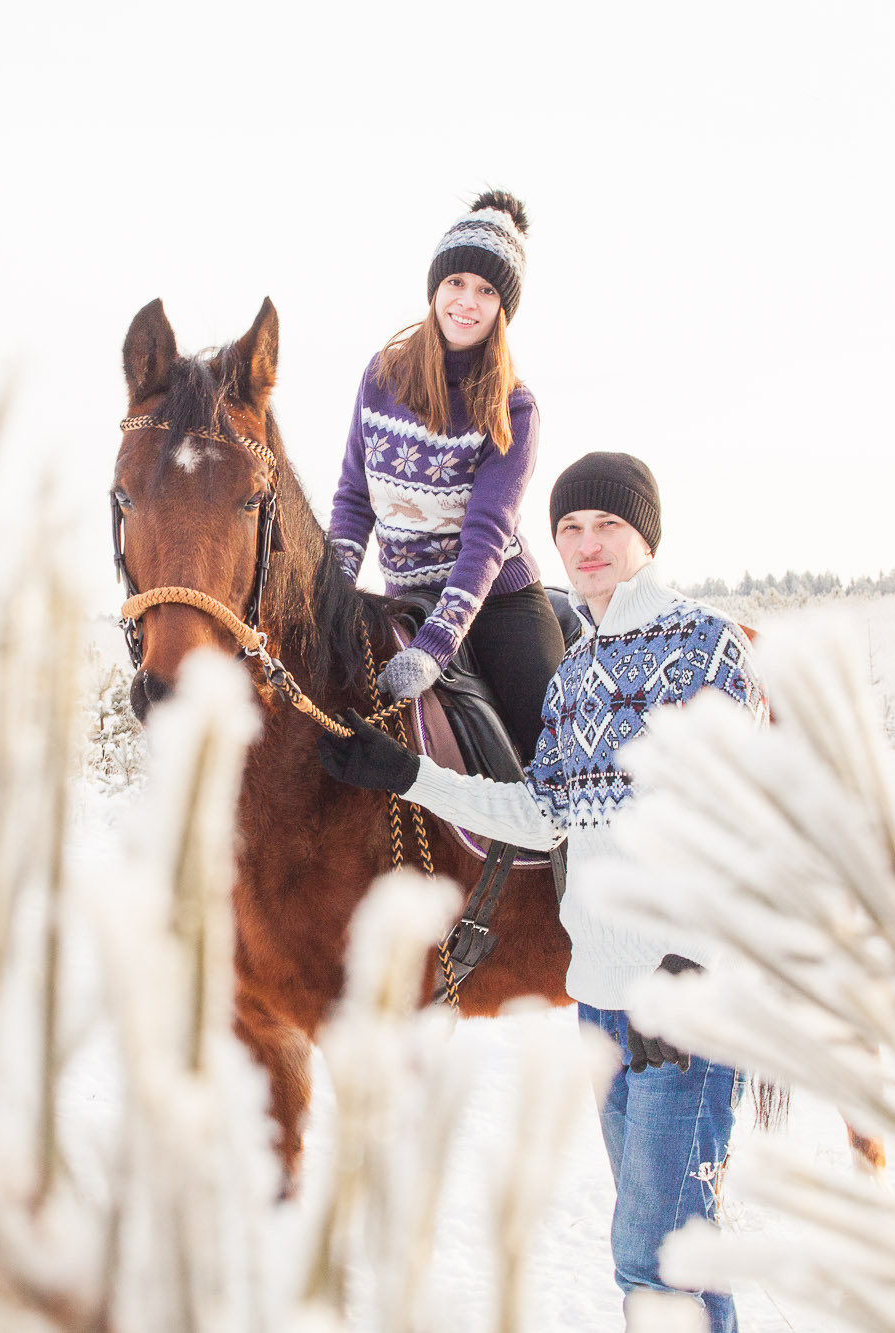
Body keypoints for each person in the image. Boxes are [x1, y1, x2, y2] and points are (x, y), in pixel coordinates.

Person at [317, 452, 765, 1333]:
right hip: (600, 1005)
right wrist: (409, 774)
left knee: (651, 1255)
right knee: (682, 1251)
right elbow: (539, 814)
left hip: (685, 1000)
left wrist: (696, 958)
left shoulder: (704, 646)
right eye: (569, 528)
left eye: (608, 526)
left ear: (647, 536)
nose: (588, 544)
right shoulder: (573, 676)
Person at [327, 190, 565, 755]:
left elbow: (486, 536)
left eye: (486, 291)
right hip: (404, 597)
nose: (467, 301)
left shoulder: (514, 407)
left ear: (502, 309)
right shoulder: (382, 377)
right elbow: (354, 499)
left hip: (498, 602)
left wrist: (435, 647)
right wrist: (331, 597)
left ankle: (565, 844)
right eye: (456, 282)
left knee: (553, 747)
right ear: (435, 288)